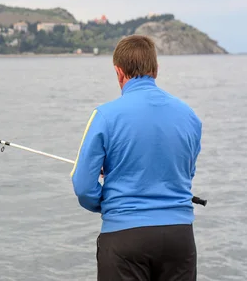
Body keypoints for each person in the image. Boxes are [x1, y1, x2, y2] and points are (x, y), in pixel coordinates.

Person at [70, 35, 201, 281]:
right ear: (156, 70)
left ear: (119, 72)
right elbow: (186, 172)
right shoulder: (189, 116)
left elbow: (83, 187)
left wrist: (109, 202)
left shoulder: (104, 116)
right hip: (179, 237)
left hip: (124, 238)